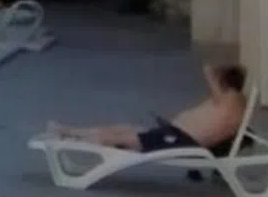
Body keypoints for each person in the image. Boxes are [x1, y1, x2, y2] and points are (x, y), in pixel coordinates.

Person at [47, 62, 249, 155]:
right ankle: (69, 132)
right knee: (125, 129)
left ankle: (69, 136)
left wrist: (220, 72)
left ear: (225, 82)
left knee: (121, 138)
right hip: (175, 136)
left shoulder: (231, 100)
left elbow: (208, 70)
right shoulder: (231, 100)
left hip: (179, 141)